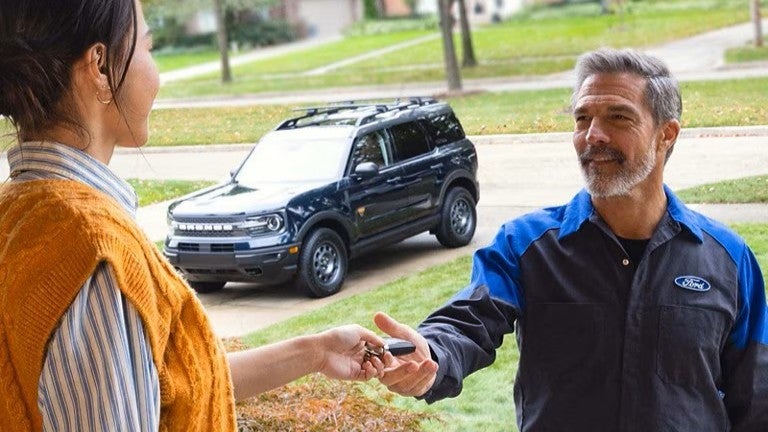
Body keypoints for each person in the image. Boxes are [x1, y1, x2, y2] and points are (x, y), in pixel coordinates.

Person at [0, 1, 385, 431]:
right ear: (101, 67)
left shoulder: (19, 214)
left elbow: (169, 383)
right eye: (149, 47)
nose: (156, 75)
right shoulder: (93, 251)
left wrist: (316, 351)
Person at [373, 48, 768, 430]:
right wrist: (432, 356)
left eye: (618, 117)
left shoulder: (728, 260)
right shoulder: (526, 245)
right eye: (582, 118)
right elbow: (470, 319)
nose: (593, 135)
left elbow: (755, 399)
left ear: (666, 134)